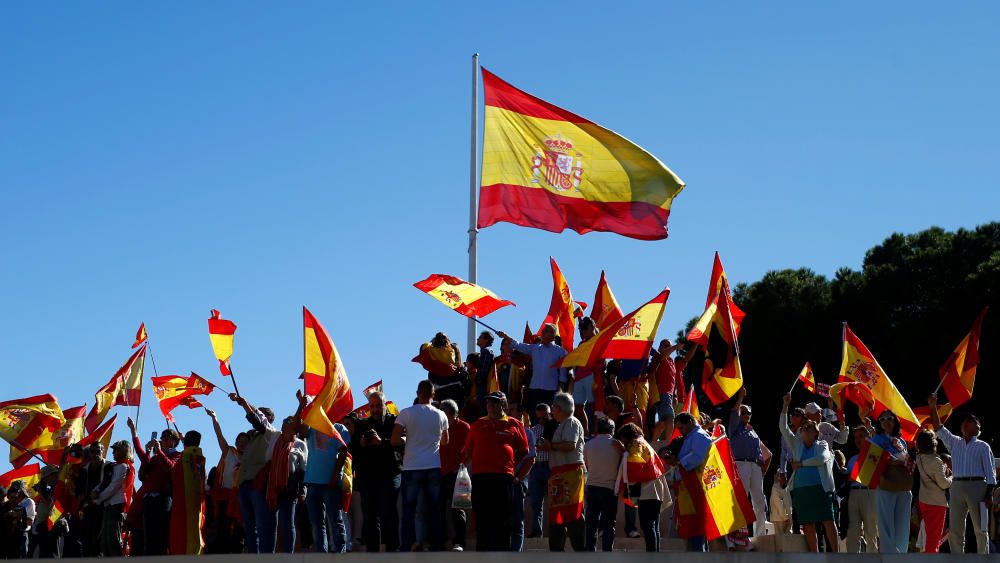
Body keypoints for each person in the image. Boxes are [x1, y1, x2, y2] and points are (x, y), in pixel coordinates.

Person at [929, 393, 996, 554]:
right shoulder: (954, 442)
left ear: (977, 428)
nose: (966, 423)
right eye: (965, 421)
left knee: (981, 528)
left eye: (971, 421)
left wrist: (989, 494)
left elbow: (990, 473)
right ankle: (958, 559)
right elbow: (937, 426)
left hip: (978, 487)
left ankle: (983, 559)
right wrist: (932, 406)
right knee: (956, 529)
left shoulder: (983, 446)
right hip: (957, 486)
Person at [464, 391, 529, 551]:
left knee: (503, 520)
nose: (491, 406)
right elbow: (467, 451)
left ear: (504, 405)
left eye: (495, 402)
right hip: (480, 478)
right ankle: (482, 555)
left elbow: (524, 450)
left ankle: (502, 555)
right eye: (488, 402)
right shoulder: (477, 424)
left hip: (503, 478)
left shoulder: (514, 424)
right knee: (482, 518)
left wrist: (511, 464)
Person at [392, 379, 449, 551]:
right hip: (432, 465)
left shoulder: (406, 413)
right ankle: (436, 545)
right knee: (434, 509)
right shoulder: (441, 415)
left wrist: (406, 439)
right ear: (433, 394)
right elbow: (446, 441)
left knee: (409, 510)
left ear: (417, 394)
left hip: (412, 466)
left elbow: (394, 440)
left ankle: (406, 545)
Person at [779, 393, 838, 553]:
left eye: (809, 427)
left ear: (815, 432)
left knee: (828, 521)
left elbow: (822, 458)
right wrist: (785, 406)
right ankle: (815, 556)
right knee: (808, 524)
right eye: (803, 428)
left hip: (820, 489)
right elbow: (783, 428)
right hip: (801, 490)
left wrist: (801, 463)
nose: (804, 429)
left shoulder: (822, 444)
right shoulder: (796, 445)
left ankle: (837, 556)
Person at [294, 390, 350, 554]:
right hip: (312, 482)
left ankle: (341, 553)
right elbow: (298, 427)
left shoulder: (340, 428)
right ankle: (321, 554)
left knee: (335, 519)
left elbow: (343, 452)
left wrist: (334, 475)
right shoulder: (312, 428)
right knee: (317, 522)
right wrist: (301, 405)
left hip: (330, 483)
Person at [350, 390, 402, 553]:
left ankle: (392, 550)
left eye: (378, 406)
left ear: (384, 405)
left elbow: (402, 443)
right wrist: (362, 444)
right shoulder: (361, 425)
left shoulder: (395, 422)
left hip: (389, 473)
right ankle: (373, 554)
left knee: (388, 511)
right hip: (368, 475)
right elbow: (352, 450)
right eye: (372, 406)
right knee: (370, 514)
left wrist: (382, 442)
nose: (375, 410)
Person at [229, 393, 281, 553]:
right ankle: (253, 554)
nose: (258, 415)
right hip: (244, 484)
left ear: (269, 419)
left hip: (258, 484)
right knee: (249, 524)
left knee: (261, 522)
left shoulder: (271, 433)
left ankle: (265, 556)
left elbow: (257, 419)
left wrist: (244, 403)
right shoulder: (252, 438)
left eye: (262, 414)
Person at [128, 420, 181, 556]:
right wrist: (146, 450)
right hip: (149, 499)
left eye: (166, 437)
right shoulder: (156, 457)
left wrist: (159, 453)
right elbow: (145, 469)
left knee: (161, 537)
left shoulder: (178, 455)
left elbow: (170, 468)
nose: (162, 439)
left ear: (174, 441)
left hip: (163, 498)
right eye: (162, 437)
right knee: (149, 538)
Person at [541, 392, 586, 551]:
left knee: (573, 512)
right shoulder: (562, 424)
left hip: (570, 472)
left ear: (559, 408)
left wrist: (550, 446)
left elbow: (570, 445)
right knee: (558, 514)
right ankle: (556, 550)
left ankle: (580, 551)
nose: (551, 410)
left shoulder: (571, 422)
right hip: (560, 474)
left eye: (553, 406)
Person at [497, 324, 569, 421]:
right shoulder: (535, 348)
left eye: (546, 331)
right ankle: (536, 434)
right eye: (543, 330)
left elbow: (563, 375)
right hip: (534, 389)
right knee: (534, 416)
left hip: (551, 391)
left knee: (550, 417)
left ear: (553, 335)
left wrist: (560, 391)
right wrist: (505, 336)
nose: (542, 333)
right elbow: (518, 345)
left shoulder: (560, 352)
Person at [618, 422, 669, 552]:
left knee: (647, 525)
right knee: (654, 525)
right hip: (656, 488)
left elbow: (635, 470)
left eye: (623, 438)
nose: (622, 441)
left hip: (647, 490)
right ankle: (655, 555)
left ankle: (651, 556)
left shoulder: (636, 444)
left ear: (627, 436)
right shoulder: (644, 443)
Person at [869, 410, 911, 553]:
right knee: (885, 524)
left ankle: (901, 554)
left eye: (890, 418)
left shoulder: (902, 441)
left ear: (895, 421)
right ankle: (889, 555)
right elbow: (871, 462)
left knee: (903, 524)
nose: (886, 421)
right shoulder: (875, 440)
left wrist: (902, 461)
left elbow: (907, 461)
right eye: (882, 419)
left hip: (903, 487)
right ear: (879, 423)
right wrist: (893, 462)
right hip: (885, 486)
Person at [727, 387, 768, 536]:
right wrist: (740, 397)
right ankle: (740, 532)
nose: (746, 415)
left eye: (748, 413)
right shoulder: (734, 428)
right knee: (742, 499)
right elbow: (733, 412)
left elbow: (760, 450)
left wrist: (761, 464)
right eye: (743, 413)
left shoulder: (752, 430)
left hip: (754, 466)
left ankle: (760, 534)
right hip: (741, 464)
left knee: (759, 500)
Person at [205, 408, 247, 553]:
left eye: (245, 442)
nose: (242, 444)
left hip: (241, 497)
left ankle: (237, 552)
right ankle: (222, 554)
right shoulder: (229, 452)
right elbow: (219, 436)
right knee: (223, 525)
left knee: (240, 526)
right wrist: (214, 419)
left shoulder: (250, 458)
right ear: (235, 443)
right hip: (225, 496)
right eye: (240, 441)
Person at [673, 412, 713, 551]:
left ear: (690, 422)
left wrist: (679, 462)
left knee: (697, 526)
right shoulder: (691, 436)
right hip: (688, 488)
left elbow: (697, 457)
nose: (680, 432)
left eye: (681, 428)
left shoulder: (699, 435)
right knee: (692, 526)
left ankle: (699, 557)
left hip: (696, 487)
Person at [267, 417, 307, 553]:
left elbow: (303, 468)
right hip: (273, 488)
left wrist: (302, 490)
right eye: (284, 426)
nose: (286, 428)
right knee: (271, 523)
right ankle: (270, 553)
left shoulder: (300, 444)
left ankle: (289, 554)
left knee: (288, 522)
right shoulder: (276, 441)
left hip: (290, 487)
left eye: (289, 426)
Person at [93, 440, 135, 556]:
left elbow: (114, 486)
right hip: (109, 505)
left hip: (117, 505)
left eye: (115, 450)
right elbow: (105, 483)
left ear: (123, 451)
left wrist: (97, 498)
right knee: (105, 541)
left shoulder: (123, 466)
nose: (113, 453)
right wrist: (95, 492)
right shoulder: (114, 466)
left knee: (113, 540)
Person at [437, 399, 470, 551]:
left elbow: (471, 449)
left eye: (442, 411)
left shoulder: (464, 427)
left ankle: (460, 542)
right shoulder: (437, 426)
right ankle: (440, 541)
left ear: (450, 413)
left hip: (457, 474)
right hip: (438, 472)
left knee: (458, 508)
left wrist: (461, 465)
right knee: (437, 509)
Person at [583, 417, 619, 551]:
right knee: (609, 523)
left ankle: (590, 551)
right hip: (609, 489)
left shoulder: (589, 444)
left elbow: (584, 463)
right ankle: (607, 552)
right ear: (612, 430)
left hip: (591, 487)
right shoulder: (617, 445)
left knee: (591, 523)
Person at [844, 425, 879, 552]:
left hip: (869, 493)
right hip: (853, 494)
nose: (857, 440)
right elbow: (848, 479)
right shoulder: (852, 459)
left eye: (861, 436)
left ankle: (873, 559)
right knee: (853, 530)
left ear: (868, 437)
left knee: (871, 530)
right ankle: (852, 558)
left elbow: (866, 476)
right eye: (855, 437)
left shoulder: (874, 454)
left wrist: (854, 476)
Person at [914, 429, 950, 553]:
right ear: (933, 443)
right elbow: (944, 484)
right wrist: (952, 477)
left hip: (923, 500)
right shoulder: (936, 460)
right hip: (937, 502)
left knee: (929, 535)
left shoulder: (919, 458)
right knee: (934, 538)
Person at [508, 401, 536, 551]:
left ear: (520, 413)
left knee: (517, 519)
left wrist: (518, 477)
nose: (508, 412)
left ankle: (515, 554)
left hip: (518, 481)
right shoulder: (503, 429)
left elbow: (531, 459)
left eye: (511, 409)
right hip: (503, 481)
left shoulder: (527, 433)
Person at [75, 442, 110, 556]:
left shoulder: (109, 466)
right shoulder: (84, 470)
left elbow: (109, 484)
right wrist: (83, 498)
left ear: (103, 451)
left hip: (103, 506)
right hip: (87, 508)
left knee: (98, 538)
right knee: (86, 538)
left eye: (98, 451)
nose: (95, 454)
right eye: (93, 451)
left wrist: (97, 493)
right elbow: (79, 490)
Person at [569, 317, 602, 434]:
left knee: (594, 406)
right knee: (578, 406)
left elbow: (602, 360)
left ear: (592, 327)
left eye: (585, 328)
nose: (582, 331)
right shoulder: (581, 343)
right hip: (579, 377)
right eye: (581, 328)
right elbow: (576, 361)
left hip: (591, 376)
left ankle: (595, 432)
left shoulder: (599, 341)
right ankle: (586, 432)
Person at [417, 332, 466, 408]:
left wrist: (431, 343)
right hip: (453, 387)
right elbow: (458, 365)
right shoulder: (452, 350)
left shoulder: (430, 350)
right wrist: (457, 350)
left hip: (438, 389)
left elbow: (422, 350)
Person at [651, 339, 685, 441]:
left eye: (668, 345)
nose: (667, 347)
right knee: (670, 418)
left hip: (668, 394)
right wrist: (675, 347)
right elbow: (664, 354)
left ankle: (653, 442)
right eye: (665, 345)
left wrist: (674, 395)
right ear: (660, 348)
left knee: (663, 422)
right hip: (661, 392)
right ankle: (668, 442)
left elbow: (672, 380)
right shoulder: (659, 357)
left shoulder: (671, 361)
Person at [527, 403, 552, 538]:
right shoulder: (534, 430)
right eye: (539, 418)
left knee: (556, 499)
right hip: (536, 466)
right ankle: (537, 530)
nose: (542, 421)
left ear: (549, 414)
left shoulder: (556, 428)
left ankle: (557, 530)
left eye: (544, 417)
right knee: (536, 501)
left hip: (551, 466)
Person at [6, 480, 35, 558]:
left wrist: (18, 517)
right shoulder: (11, 503)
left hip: (22, 535)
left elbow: (29, 522)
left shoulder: (29, 502)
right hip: (10, 536)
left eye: (17, 490)